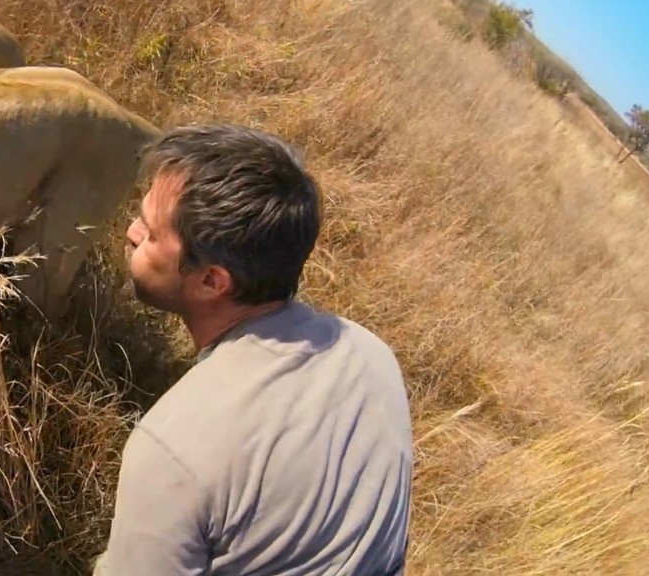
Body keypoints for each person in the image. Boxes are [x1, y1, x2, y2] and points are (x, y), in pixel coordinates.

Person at [93, 123, 413, 575]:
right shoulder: (371, 355)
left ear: (212, 281)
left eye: (151, 234)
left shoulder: (173, 448)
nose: (131, 232)